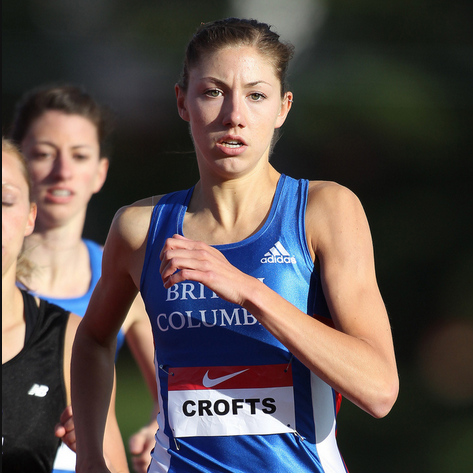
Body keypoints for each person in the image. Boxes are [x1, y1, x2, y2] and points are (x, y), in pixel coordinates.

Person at [71, 17, 399, 473]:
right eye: (213, 92)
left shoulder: (324, 210)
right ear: (182, 101)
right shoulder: (140, 228)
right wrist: (92, 457)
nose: (234, 115)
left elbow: (379, 389)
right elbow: (92, 339)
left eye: (256, 95)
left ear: (283, 107)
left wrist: (246, 288)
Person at [9, 85, 159, 473]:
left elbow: (177, 391)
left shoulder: (122, 278)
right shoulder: (7, 290)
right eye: (43, 154)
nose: (62, 171)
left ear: (99, 172)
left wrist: (158, 428)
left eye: (79, 156)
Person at [2, 138, 129, 473]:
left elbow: (112, 466)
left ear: (30, 217)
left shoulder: (71, 339)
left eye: (4, 200)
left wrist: (90, 451)